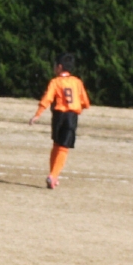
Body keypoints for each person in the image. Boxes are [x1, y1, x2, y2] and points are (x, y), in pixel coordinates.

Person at [30, 53, 90, 190]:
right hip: (71, 116)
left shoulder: (55, 82)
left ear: (59, 67)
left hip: (58, 116)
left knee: (57, 144)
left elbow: (47, 98)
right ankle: (53, 175)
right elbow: (85, 102)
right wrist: (78, 106)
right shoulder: (77, 82)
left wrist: (37, 114)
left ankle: (53, 175)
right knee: (64, 147)